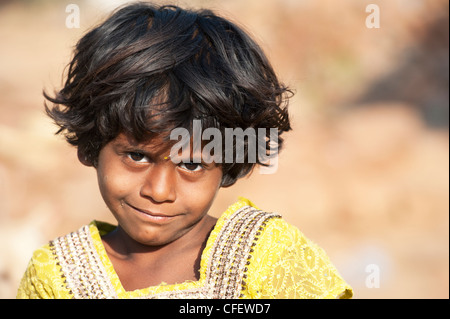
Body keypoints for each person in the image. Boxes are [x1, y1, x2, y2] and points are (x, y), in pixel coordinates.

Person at [17, 3, 352, 299]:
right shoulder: (58, 277)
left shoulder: (265, 257)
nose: (159, 191)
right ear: (94, 145)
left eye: (191, 164)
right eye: (137, 156)